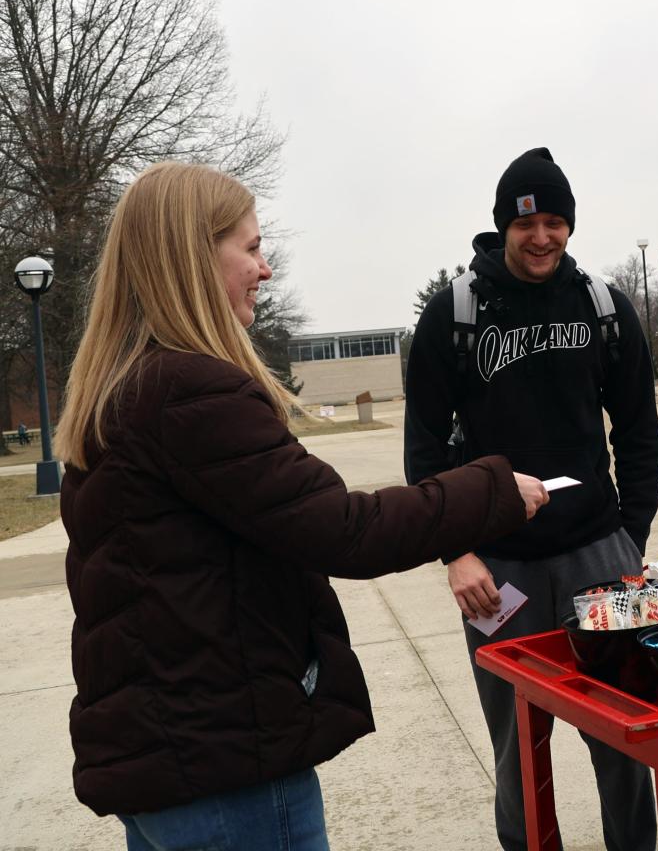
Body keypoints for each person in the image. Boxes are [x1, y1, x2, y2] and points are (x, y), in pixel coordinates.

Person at [54, 162, 550, 851]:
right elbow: (347, 532)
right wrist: (493, 489)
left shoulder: (124, 390)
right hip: (225, 769)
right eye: (251, 248)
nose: (265, 269)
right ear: (195, 257)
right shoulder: (190, 393)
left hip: (170, 762)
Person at [404, 147, 658, 851]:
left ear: (570, 225)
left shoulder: (603, 308)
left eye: (555, 221)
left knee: (627, 735)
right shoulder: (453, 316)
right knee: (518, 745)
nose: (542, 236)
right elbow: (424, 455)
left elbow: (639, 433)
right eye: (527, 223)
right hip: (498, 574)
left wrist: (628, 541)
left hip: (601, 559)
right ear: (503, 227)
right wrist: (455, 552)